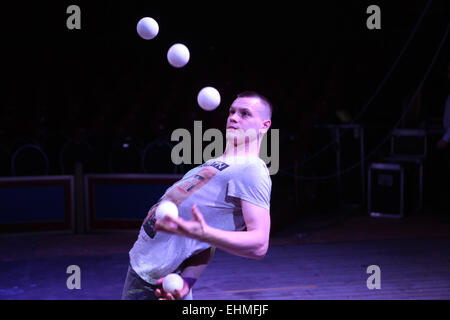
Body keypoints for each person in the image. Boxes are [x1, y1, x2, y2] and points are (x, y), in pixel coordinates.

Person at [121, 91, 273, 300]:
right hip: (152, 274)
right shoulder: (219, 162)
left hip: (154, 282)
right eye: (232, 111)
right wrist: (188, 280)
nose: (233, 117)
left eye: (245, 113)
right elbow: (205, 241)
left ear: (265, 125)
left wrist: (202, 233)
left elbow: (259, 244)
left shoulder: (252, 169)